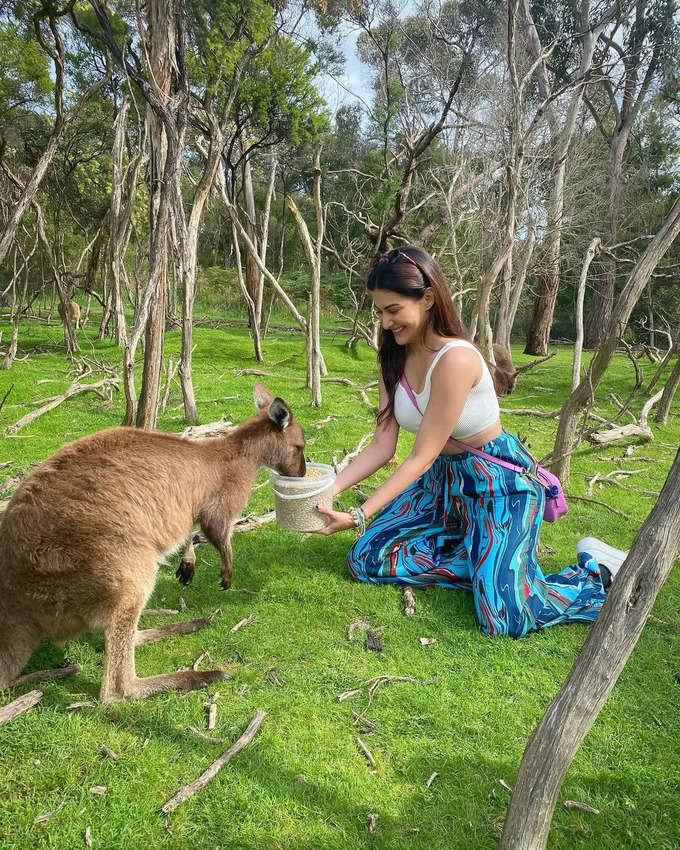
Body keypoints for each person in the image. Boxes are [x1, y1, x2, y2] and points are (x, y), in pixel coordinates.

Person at [314, 245, 627, 638]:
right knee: (367, 559)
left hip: (496, 484)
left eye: (393, 310)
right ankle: (485, 561)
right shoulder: (391, 358)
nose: (385, 321)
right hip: (440, 486)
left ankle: (594, 573)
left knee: (504, 619)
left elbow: (421, 455)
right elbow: (383, 445)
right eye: (379, 311)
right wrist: (330, 490)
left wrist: (360, 514)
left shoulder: (456, 359)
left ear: (427, 299)